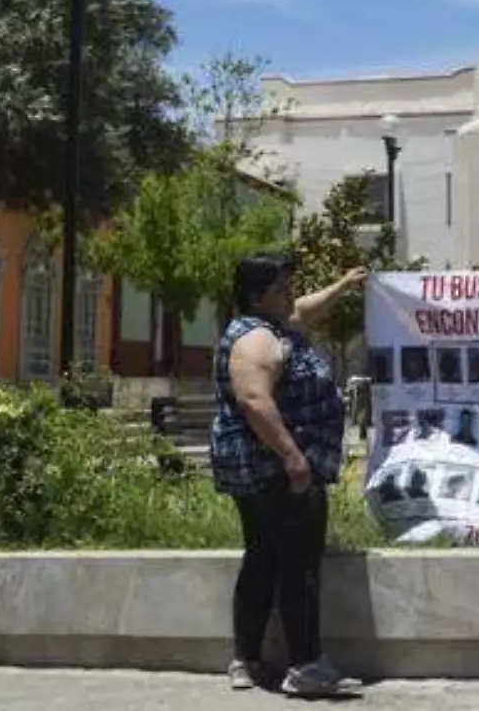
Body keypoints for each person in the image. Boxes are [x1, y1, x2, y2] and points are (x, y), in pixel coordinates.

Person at [210, 254, 366, 696]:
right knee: (298, 564)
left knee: (264, 558)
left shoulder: (273, 325)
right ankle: (304, 665)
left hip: (272, 468)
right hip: (277, 470)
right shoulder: (256, 341)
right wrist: (293, 457)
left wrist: (341, 286)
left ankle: (248, 659)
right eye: (281, 289)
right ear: (257, 296)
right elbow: (254, 400)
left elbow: (305, 310)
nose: (290, 295)